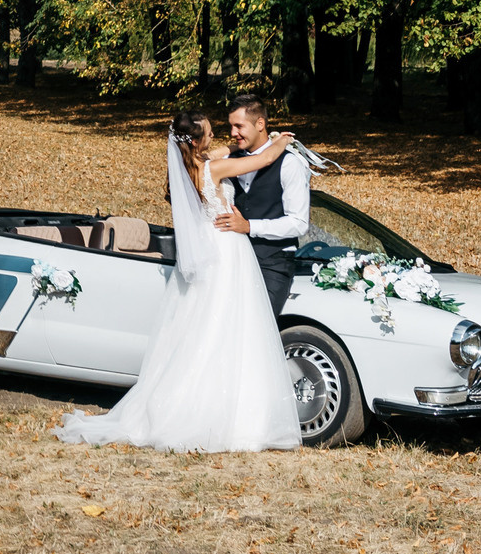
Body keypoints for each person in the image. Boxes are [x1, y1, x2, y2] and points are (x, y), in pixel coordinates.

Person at [53, 110, 305, 453]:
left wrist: (235, 145)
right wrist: (282, 140)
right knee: (226, 328)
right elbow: (264, 159)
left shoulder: (191, 168)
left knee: (207, 329)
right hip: (226, 249)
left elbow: (225, 153)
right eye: (211, 132)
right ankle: (219, 415)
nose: (218, 136)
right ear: (198, 140)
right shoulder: (213, 169)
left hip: (215, 248)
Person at [211, 94, 309, 319]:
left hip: (272, 264)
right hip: (230, 261)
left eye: (239, 126)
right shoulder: (229, 160)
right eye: (231, 126)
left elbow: (299, 223)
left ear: (260, 124)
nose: (233, 133)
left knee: (258, 328)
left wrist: (249, 227)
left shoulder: (290, 163)